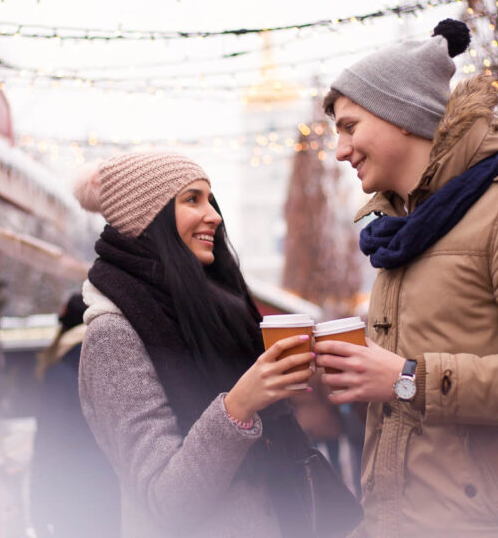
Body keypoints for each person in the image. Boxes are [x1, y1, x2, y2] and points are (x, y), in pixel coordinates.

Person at [314, 19, 498, 538]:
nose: (339, 150)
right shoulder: (399, 237)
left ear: (402, 116)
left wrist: (408, 378)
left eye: (350, 127)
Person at [73, 153, 361, 538]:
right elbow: (165, 501)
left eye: (210, 199)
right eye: (192, 199)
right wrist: (240, 405)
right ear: (147, 218)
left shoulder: (213, 309)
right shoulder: (113, 335)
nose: (213, 215)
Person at [30, 293, 120, 538]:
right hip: (115, 494)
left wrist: (38, 505)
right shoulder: (117, 357)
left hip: (72, 494)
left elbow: (48, 443)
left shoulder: (60, 371)